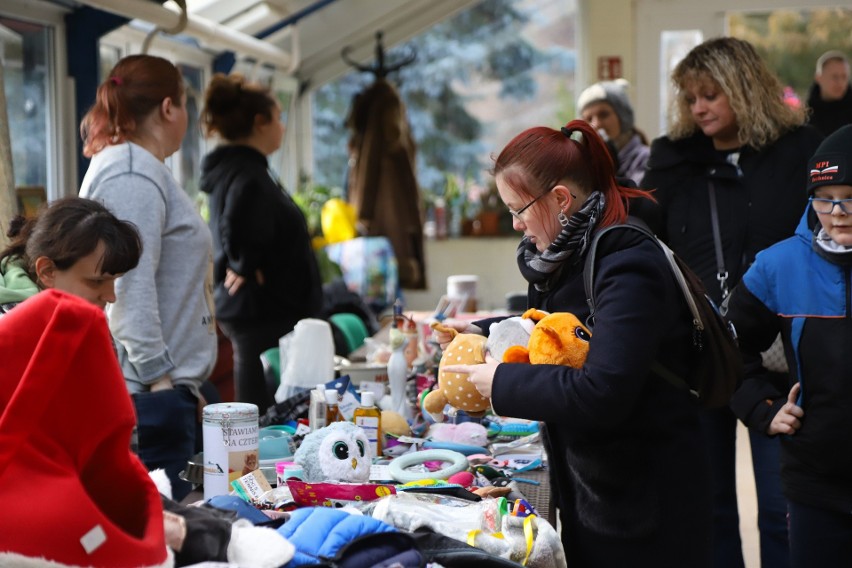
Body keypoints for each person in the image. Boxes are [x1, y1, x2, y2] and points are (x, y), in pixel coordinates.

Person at [439, 119, 713, 566]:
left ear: (561, 199)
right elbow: (564, 329)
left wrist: (502, 382)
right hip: (602, 497)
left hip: (648, 510)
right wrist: (487, 329)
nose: (515, 224)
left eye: (519, 209)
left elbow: (601, 391)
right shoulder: (569, 257)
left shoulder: (628, 265)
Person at [640, 36, 824, 568]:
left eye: (711, 94)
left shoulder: (798, 149)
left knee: (781, 508)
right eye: (691, 97)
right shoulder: (673, 158)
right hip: (698, 349)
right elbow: (642, 233)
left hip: (777, 352)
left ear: (744, 89)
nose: (699, 107)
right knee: (710, 507)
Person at [79, 54, 217, 501]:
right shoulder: (132, 175)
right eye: (185, 104)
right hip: (149, 397)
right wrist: (164, 384)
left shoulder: (139, 168)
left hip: (161, 390)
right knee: (170, 536)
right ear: (168, 108)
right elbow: (126, 290)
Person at [725, 124, 852, 568]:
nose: (837, 211)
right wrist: (763, 407)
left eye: (850, 195)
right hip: (813, 483)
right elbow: (727, 348)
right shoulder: (778, 266)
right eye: (824, 196)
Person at [199, 73, 323, 412]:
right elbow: (237, 221)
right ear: (260, 123)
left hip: (261, 310)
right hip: (260, 311)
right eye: (278, 118)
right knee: (260, 409)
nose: (282, 127)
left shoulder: (245, 169)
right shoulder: (246, 174)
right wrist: (243, 263)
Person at [0, 196, 142, 314]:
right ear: (47, 271)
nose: (111, 297)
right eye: (97, 281)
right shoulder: (21, 332)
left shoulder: (74, 315)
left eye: (115, 280)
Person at [577, 78, 650, 186]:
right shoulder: (581, 163)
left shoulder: (646, 159)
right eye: (589, 119)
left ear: (623, 118)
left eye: (604, 114)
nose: (596, 124)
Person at [806, 50, 852, 137]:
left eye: (844, 77)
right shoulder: (807, 116)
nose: (840, 82)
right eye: (835, 77)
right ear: (818, 78)